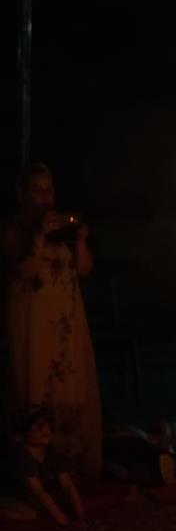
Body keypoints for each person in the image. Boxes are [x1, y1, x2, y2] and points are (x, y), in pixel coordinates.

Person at [3, 164, 102, 477]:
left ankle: (72, 466)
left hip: (66, 322)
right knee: (36, 384)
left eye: (50, 191)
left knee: (69, 386)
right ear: (23, 194)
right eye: (38, 191)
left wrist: (81, 239)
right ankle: (33, 469)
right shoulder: (14, 230)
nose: (46, 199)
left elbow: (84, 270)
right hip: (34, 324)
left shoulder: (62, 229)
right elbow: (26, 271)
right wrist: (40, 236)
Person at [3, 405, 86, 526]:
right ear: (23, 433)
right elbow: (38, 492)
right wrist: (63, 519)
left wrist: (81, 516)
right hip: (9, 494)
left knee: (62, 501)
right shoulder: (22, 455)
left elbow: (67, 484)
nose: (46, 430)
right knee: (31, 514)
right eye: (39, 427)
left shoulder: (50, 451)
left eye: (48, 426)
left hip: (27, 495)